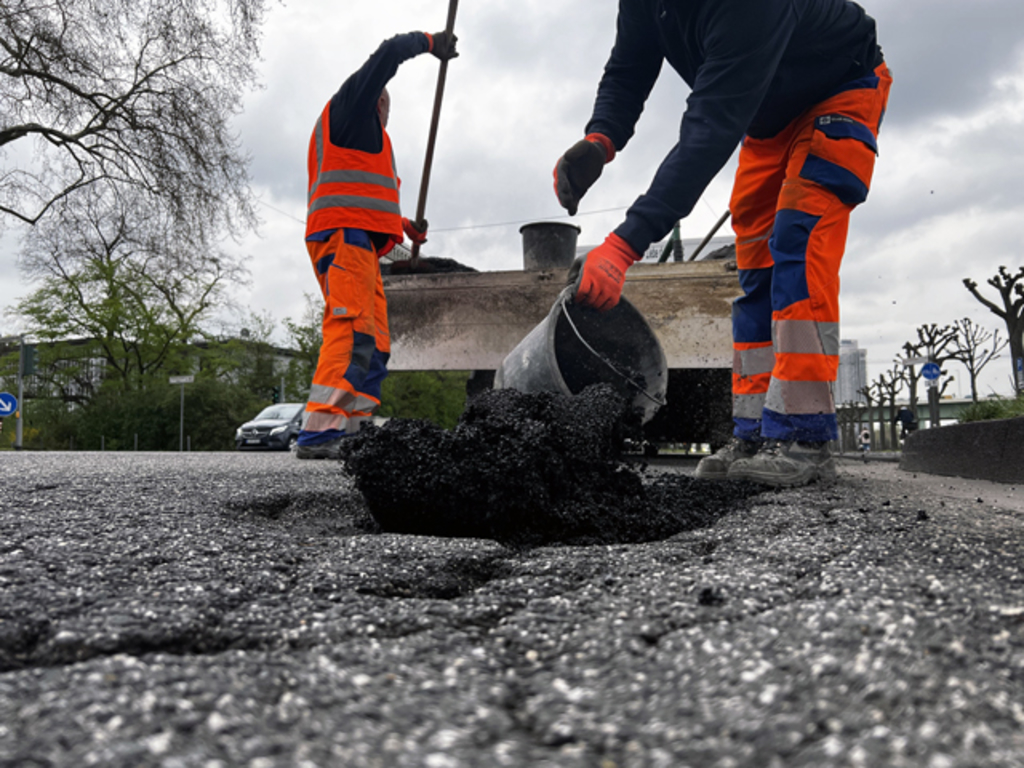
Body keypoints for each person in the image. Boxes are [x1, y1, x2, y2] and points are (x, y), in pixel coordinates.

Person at [553, 0, 891, 488]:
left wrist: (625, 245)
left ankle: (806, 437)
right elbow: (628, 68)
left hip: (838, 92)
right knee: (754, 266)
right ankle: (753, 434)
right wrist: (601, 138)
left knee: (797, 244)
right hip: (766, 118)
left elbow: (708, 130)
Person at [296, 31, 458, 459]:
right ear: (377, 100)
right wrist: (430, 42)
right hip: (343, 237)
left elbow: (362, 197)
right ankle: (319, 432)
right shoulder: (350, 109)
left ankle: (354, 429)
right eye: (385, 105)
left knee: (376, 343)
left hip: (361, 242)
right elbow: (389, 52)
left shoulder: (370, 141)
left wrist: (403, 227)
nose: (386, 115)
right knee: (352, 332)